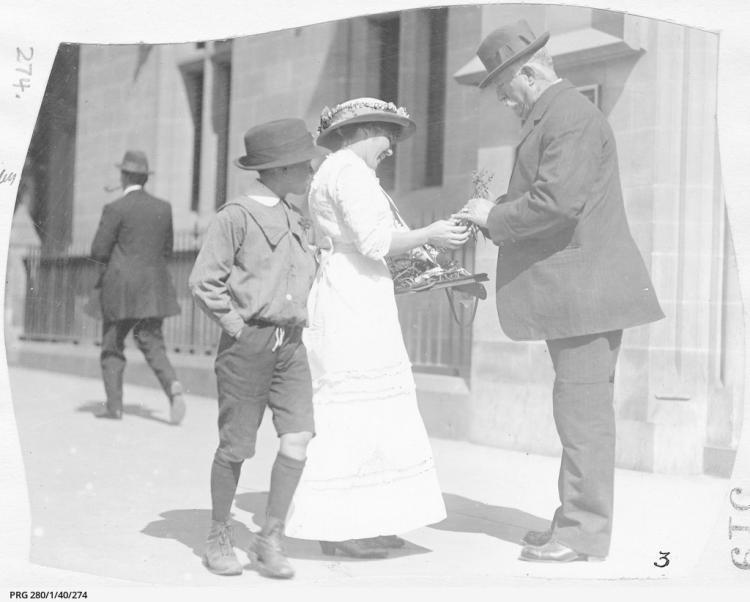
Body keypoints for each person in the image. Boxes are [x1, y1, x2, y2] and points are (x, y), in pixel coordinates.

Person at [458, 20, 665, 563]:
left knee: (583, 418)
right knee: (577, 413)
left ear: (528, 72)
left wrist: (492, 216)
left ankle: (580, 534)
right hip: (581, 295)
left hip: (586, 297)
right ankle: (570, 523)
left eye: (506, 89)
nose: (505, 101)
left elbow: (556, 204)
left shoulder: (568, 116)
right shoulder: (558, 114)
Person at [284, 98, 468, 558]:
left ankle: (367, 518)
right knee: (357, 410)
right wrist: (431, 235)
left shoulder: (337, 170)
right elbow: (374, 241)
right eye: (388, 135)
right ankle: (341, 527)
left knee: (371, 410)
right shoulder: (349, 171)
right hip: (353, 298)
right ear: (363, 130)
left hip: (353, 291)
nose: (392, 147)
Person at [189, 118, 318, 579]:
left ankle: (269, 539)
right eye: (304, 164)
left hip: (291, 346)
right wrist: (238, 329)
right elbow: (205, 282)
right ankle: (219, 535)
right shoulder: (235, 216)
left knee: (298, 438)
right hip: (249, 345)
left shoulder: (295, 217)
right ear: (279, 169)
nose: (310, 170)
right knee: (237, 447)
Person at [90, 150, 186, 425]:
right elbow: (167, 250)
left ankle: (114, 407)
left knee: (112, 345)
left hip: (119, 289)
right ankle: (173, 387)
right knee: (152, 342)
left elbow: (98, 250)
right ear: (145, 178)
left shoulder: (115, 208)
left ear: (124, 176)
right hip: (152, 289)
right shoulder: (163, 207)